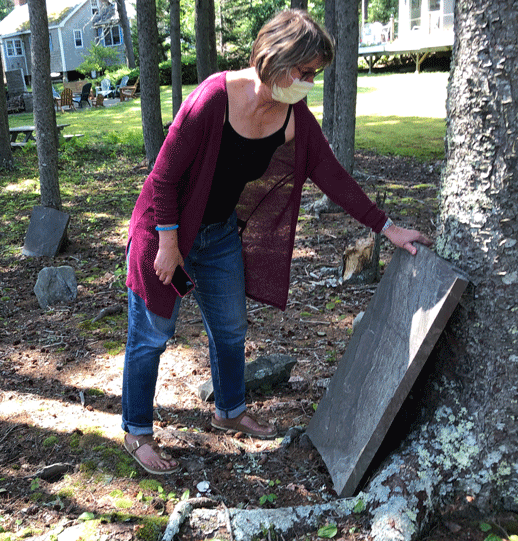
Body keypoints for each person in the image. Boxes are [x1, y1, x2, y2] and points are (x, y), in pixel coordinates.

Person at [121, 9, 432, 475]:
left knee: (230, 328)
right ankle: (137, 431)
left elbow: (330, 174)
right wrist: (168, 247)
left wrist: (386, 227)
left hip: (218, 233)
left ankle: (228, 411)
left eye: (315, 74)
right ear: (276, 59)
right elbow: (163, 179)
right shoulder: (212, 99)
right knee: (152, 336)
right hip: (164, 231)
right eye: (305, 72)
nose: (309, 82)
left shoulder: (293, 115)